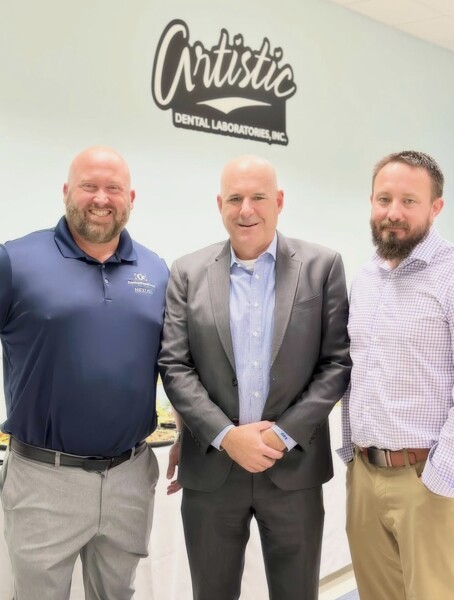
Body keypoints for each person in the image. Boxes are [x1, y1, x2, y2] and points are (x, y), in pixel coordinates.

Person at [159, 155, 351, 600]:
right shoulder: (186, 272)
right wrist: (227, 436)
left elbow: (336, 363)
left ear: (278, 201)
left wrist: (281, 436)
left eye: (258, 197)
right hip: (212, 472)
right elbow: (175, 365)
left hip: (294, 468)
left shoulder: (322, 267)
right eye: (234, 199)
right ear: (219, 205)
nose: (246, 209)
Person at [0, 146, 168, 599]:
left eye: (113, 188)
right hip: (44, 479)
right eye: (88, 186)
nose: (100, 198)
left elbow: (175, 364)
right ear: (66, 192)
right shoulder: (14, 260)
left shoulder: (155, 270)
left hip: (130, 475)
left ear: (130, 197)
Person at [339, 150, 454, 600]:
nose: (393, 213)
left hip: (426, 479)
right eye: (384, 199)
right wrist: (350, 456)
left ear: (435, 207)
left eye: (409, 201)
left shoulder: (449, 275)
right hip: (365, 476)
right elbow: (356, 370)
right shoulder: (365, 279)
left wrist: (440, 476)